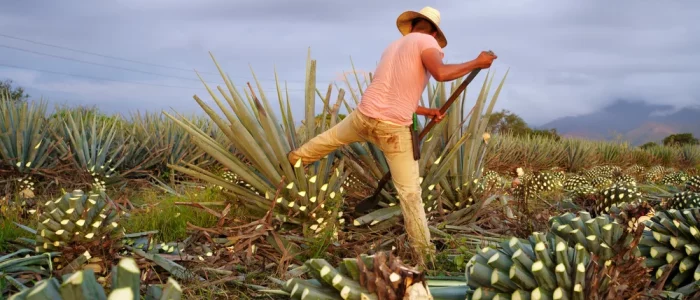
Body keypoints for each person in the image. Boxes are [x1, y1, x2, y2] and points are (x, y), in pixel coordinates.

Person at [287, 6, 497, 268]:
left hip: (363, 115)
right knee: (410, 194)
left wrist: (424, 110)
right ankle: (425, 257)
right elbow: (442, 74)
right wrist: (477, 63)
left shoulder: (393, 47)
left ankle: (293, 161)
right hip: (393, 128)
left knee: (329, 140)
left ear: (414, 24)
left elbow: (392, 89)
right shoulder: (428, 42)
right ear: (433, 30)